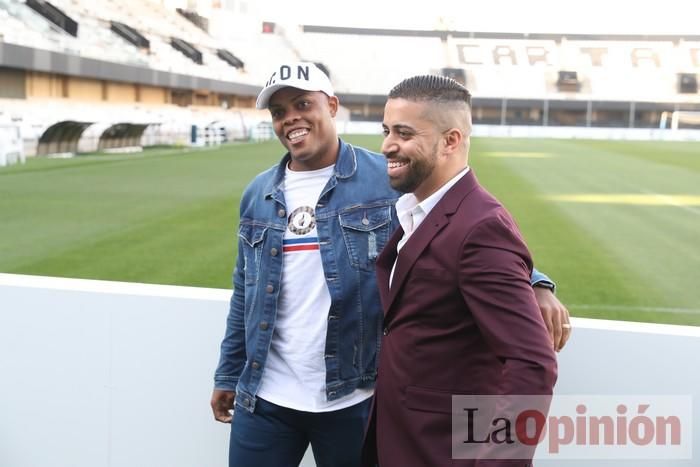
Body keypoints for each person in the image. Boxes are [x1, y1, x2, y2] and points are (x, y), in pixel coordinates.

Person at [210, 62, 569, 467]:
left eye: (302, 103)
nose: (290, 117)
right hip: (266, 394)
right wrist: (229, 371)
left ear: (331, 105)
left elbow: (470, 224)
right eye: (278, 112)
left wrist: (536, 283)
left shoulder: (389, 175)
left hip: (354, 396)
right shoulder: (258, 193)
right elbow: (246, 289)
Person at [361, 75, 559, 467]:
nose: (387, 146)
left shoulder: (481, 227)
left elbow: (533, 364)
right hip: (402, 439)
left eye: (403, 132)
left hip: (444, 451)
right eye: (386, 131)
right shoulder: (416, 209)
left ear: (451, 140)